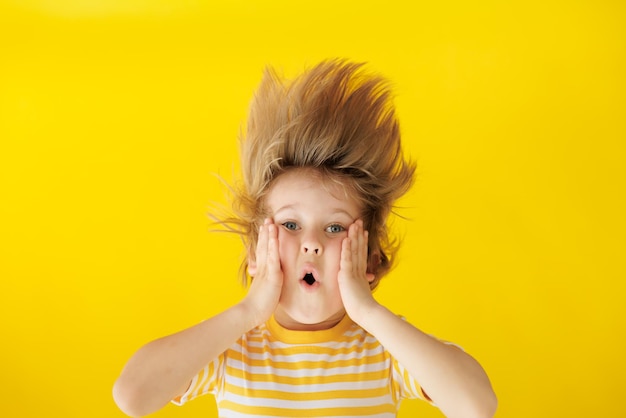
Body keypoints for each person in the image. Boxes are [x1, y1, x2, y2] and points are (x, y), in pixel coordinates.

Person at [113, 59, 497, 418]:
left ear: (370, 261)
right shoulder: (230, 350)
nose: (311, 243)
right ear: (255, 252)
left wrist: (368, 313)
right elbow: (132, 396)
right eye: (291, 225)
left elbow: (477, 406)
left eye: (334, 228)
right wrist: (248, 311)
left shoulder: (385, 351)